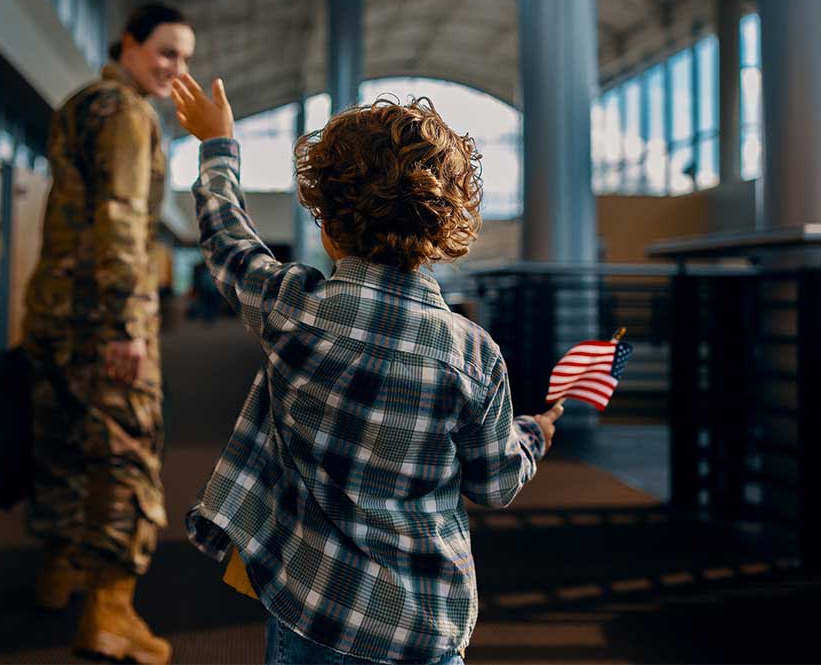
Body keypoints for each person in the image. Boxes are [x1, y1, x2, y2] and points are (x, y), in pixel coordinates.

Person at [171, 75, 564, 665]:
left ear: (327, 224)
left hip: (313, 612)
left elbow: (229, 242)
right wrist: (532, 435)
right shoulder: (474, 355)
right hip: (426, 624)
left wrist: (219, 144)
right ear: (444, 231)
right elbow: (494, 482)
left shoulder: (294, 309)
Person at [22, 4, 193, 665]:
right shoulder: (126, 113)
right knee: (126, 454)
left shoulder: (78, 104)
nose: (177, 67)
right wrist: (127, 321)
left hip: (55, 312)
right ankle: (110, 611)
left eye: (185, 57)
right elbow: (120, 219)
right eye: (166, 51)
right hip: (104, 318)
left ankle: (57, 573)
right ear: (129, 42)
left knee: (61, 441)